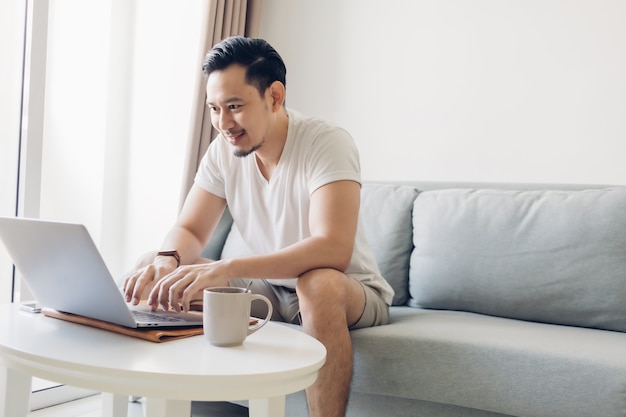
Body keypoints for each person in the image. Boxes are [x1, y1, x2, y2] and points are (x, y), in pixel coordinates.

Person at [123, 36, 394, 417]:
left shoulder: (326, 142)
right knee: (151, 267)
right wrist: (168, 259)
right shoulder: (223, 151)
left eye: (234, 107)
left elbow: (332, 249)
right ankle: (161, 401)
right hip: (270, 289)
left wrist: (229, 267)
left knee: (316, 283)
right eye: (215, 109)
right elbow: (191, 229)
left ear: (275, 96)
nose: (223, 123)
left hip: (346, 291)